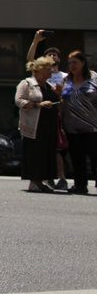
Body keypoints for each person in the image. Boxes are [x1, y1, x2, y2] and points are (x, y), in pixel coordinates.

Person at [26, 31, 70, 190]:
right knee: (45, 148)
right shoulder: (38, 74)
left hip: (58, 116)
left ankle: (61, 178)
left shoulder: (65, 76)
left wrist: (60, 94)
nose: (52, 56)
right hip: (39, 117)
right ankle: (44, 178)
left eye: (55, 54)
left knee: (57, 149)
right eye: (48, 54)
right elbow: (30, 60)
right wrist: (36, 40)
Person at [15, 56, 61, 193]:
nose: (51, 72)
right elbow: (19, 101)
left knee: (47, 153)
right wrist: (38, 104)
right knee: (35, 153)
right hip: (34, 126)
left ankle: (42, 181)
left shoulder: (50, 86)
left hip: (49, 125)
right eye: (48, 69)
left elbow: (56, 100)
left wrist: (59, 97)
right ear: (39, 70)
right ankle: (34, 182)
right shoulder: (27, 83)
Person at [61, 50, 97, 194]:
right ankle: (80, 185)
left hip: (92, 127)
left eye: (75, 62)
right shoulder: (65, 80)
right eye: (69, 63)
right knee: (77, 158)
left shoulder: (94, 78)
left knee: (95, 158)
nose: (72, 65)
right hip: (72, 128)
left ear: (83, 63)